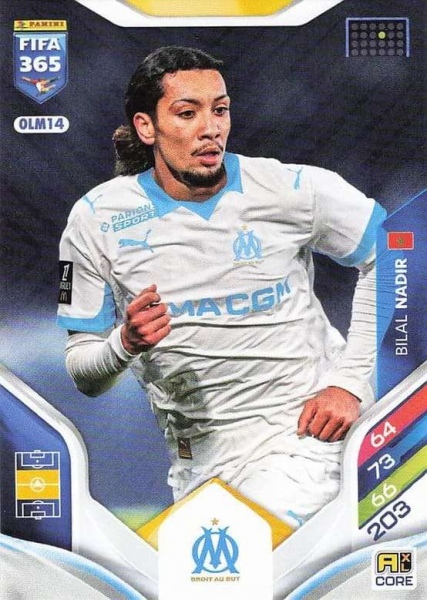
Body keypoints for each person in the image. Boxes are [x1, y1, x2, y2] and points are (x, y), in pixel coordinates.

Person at [57, 46, 386, 528]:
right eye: (187, 113)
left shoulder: (292, 189)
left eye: (221, 109)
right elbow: (83, 372)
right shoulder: (95, 219)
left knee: (251, 548)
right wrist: (124, 344)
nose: (211, 128)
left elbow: (396, 249)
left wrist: (349, 383)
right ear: (146, 126)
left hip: (305, 440)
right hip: (199, 464)